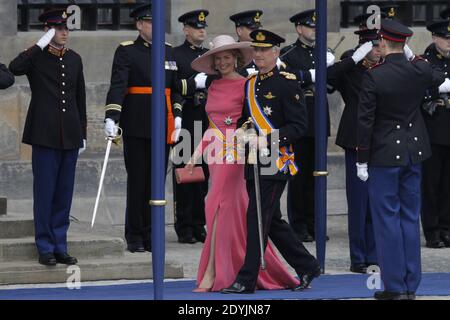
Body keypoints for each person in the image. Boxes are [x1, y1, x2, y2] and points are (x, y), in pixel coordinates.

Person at [186, 35, 299, 292]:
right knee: (226, 211)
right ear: (213, 62)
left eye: (227, 57)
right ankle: (238, 269)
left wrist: (253, 142)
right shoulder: (213, 87)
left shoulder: (248, 85)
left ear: (236, 59)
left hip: (237, 150)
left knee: (218, 207)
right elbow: (211, 126)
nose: (223, 62)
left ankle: (213, 272)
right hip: (215, 151)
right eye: (219, 58)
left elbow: (253, 122)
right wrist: (194, 155)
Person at [221, 30, 320, 294]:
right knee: (270, 220)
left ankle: (246, 279)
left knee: (257, 218)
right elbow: (246, 118)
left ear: (276, 52)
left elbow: (300, 126)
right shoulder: (250, 84)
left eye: (265, 50)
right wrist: (243, 132)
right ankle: (308, 265)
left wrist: (269, 138)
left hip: (277, 161)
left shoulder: (287, 83)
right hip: (254, 160)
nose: (260, 55)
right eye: (257, 50)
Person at [356, 19, 445, 300]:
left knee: (387, 220)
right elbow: (436, 76)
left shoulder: (374, 75)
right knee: (409, 218)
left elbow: (365, 122)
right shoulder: (418, 68)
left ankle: (394, 286)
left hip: (383, 154)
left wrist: (361, 159)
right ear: (405, 43)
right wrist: (411, 54)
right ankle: (410, 285)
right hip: (415, 152)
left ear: (382, 42)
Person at [9, 8, 86, 266]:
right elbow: (14, 68)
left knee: (64, 194)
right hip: (44, 135)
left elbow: (80, 99)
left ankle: (59, 244)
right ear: (47, 30)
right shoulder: (37, 58)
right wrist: (37, 45)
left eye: (66, 29)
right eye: (58, 28)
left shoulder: (74, 59)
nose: (64, 33)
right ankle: (44, 246)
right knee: (45, 192)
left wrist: (82, 133)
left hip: (70, 136)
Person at [103, 2, 183, 253]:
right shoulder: (127, 51)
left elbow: (176, 86)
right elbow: (118, 85)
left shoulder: (168, 51)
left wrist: (178, 114)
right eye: (150, 22)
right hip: (138, 123)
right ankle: (135, 235)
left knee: (157, 181)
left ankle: (152, 233)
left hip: (163, 122)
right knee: (138, 181)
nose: (155, 26)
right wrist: (112, 116)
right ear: (139, 25)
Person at [327, 27, 381, 273]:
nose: (380, 51)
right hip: (355, 139)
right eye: (375, 46)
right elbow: (328, 76)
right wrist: (353, 59)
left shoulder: (385, 68)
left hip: (381, 140)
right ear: (364, 47)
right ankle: (358, 257)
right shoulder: (350, 70)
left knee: (377, 199)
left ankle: (375, 253)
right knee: (358, 201)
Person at [280, 9, 335, 242]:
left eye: (316, 27)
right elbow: (288, 78)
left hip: (319, 117)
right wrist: (313, 75)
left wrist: (326, 71)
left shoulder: (325, 53)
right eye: (310, 26)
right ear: (299, 29)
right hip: (300, 118)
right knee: (299, 175)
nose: (314, 30)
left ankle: (315, 222)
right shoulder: (288, 53)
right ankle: (299, 224)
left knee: (318, 174)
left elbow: (332, 83)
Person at [172, 10, 210, 244]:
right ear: (186, 30)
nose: (201, 31)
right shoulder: (176, 54)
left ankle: (199, 223)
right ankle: (184, 225)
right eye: (196, 27)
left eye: (203, 27)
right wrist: (192, 84)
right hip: (185, 121)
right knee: (186, 176)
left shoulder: (209, 55)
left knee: (204, 176)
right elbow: (173, 85)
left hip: (207, 121)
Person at [420, 20, 450, 248]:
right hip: (433, 128)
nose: (449, 42)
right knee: (431, 183)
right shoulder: (424, 61)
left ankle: (446, 228)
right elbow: (417, 89)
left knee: (448, 184)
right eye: (445, 38)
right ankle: (432, 231)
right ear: (434, 37)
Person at [229, 10, 264, 76]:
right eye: (252, 29)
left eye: (257, 29)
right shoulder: (232, 53)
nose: (257, 32)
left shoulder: (264, 51)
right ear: (239, 31)